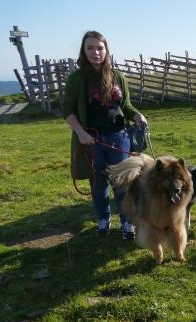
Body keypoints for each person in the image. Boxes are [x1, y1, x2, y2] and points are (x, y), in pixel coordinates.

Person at [63, 30, 147, 239]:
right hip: (92, 139)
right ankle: (103, 218)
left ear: (106, 50)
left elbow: (125, 105)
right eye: (90, 48)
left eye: (99, 48)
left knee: (122, 183)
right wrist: (81, 133)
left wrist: (137, 116)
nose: (95, 52)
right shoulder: (76, 79)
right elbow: (68, 111)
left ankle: (127, 222)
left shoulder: (118, 76)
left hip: (119, 137)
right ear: (83, 51)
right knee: (98, 184)